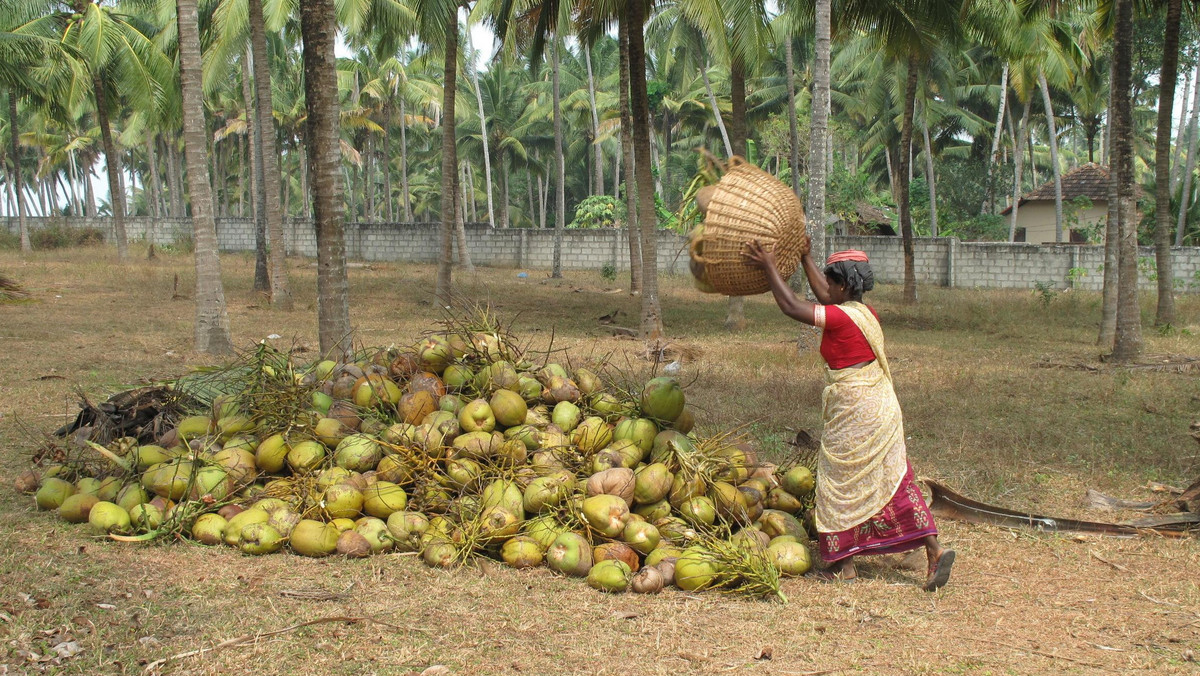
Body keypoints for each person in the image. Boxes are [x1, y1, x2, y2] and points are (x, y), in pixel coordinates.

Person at [744, 240, 955, 591]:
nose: (825, 288)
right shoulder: (863, 313)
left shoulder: (842, 317)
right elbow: (825, 297)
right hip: (880, 408)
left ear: (842, 285)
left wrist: (769, 266)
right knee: (892, 480)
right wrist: (805, 256)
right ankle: (934, 550)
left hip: (857, 410)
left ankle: (844, 566)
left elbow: (792, 305)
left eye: (830, 281)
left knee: (838, 481)